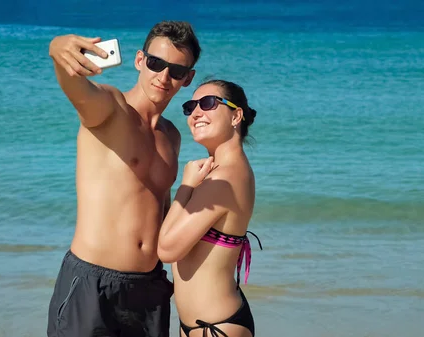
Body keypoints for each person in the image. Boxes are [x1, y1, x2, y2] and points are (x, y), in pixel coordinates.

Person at [45, 21, 201, 337]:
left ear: (188, 78)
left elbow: (162, 216)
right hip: (93, 286)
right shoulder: (112, 108)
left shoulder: (171, 136)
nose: (164, 77)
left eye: (176, 70)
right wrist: (57, 50)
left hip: (148, 290)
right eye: (156, 63)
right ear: (140, 60)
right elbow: (78, 90)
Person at [157, 79, 262, 337]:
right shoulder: (228, 171)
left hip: (218, 327)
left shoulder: (224, 179)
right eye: (190, 106)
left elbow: (168, 249)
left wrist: (185, 186)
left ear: (236, 115)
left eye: (208, 103)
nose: (196, 113)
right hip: (205, 325)